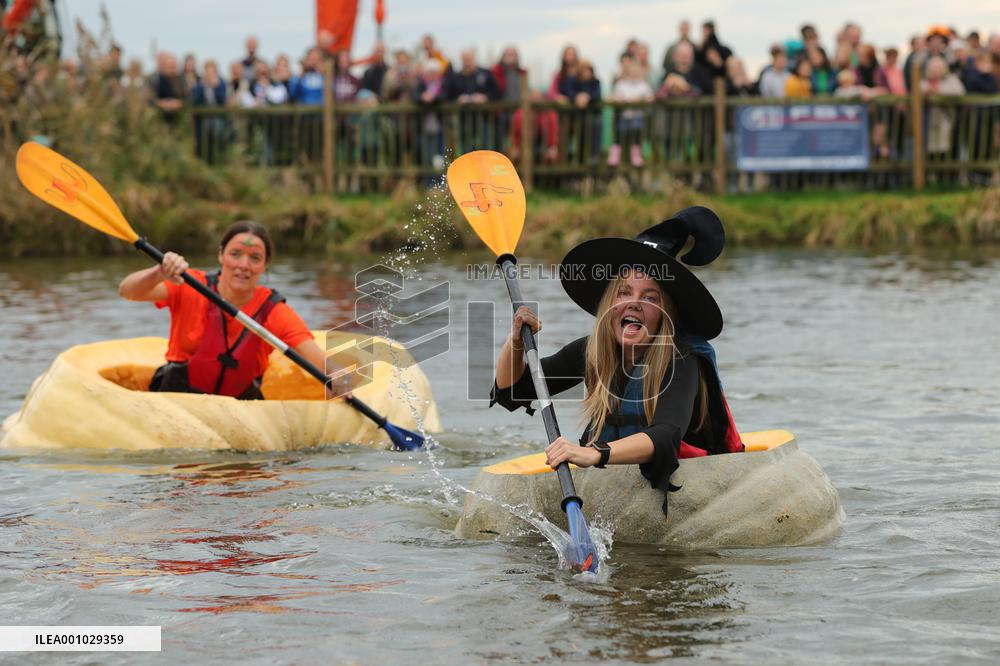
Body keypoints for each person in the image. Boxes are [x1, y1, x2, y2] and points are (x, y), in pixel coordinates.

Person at [491, 207, 743, 514]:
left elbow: (665, 437)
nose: (634, 303)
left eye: (650, 298)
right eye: (624, 293)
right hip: (615, 476)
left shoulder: (682, 360)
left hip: (691, 486)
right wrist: (515, 341)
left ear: (667, 314)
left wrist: (595, 454)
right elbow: (511, 391)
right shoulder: (593, 351)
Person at [118, 222, 340, 400]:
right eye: (235, 254)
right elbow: (128, 291)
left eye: (255, 258)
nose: (243, 265)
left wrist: (338, 377)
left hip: (239, 410)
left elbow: (317, 359)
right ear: (221, 255)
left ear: (265, 265)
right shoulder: (190, 285)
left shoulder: (273, 310)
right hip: (178, 400)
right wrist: (158, 273)